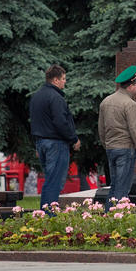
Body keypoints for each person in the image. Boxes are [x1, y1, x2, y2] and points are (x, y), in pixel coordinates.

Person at [98, 65, 136, 211]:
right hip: (125, 149)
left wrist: (107, 145)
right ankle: (116, 217)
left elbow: (101, 128)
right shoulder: (130, 104)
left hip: (111, 149)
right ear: (130, 86)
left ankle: (109, 214)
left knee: (114, 185)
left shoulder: (106, 102)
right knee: (123, 188)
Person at [30, 64, 81, 209]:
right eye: (63, 79)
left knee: (49, 180)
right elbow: (61, 122)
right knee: (55, 182)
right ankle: (49, 214)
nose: (65, 82)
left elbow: (35, 121)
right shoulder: (56, 98)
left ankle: (44, 212)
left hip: (41, 143)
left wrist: (37, 144)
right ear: (55, 80)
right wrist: (74, 139)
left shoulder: (36, 97)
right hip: (56, 144)